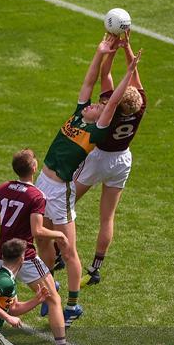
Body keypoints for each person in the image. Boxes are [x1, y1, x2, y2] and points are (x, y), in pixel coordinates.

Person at [35, 34, 142, 326]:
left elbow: (113, 100)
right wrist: (99, 52)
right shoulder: (80, 112)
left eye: (98, 106)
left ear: (103, 116)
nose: (94, 103)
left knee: (68, 251)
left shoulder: (98, 130)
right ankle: (49, 290)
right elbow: (90, 80)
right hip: (42, 182)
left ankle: (71, 306)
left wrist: (130, 70)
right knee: (39, 236)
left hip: (60, 190)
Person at [0, 149, 78, 345]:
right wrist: (59, 234)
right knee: (53, 298)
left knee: (6, 303)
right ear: (34, 168)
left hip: (0, 254)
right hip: (23, 257)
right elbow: (37, 231)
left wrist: (6, 222)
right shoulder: (36, 196)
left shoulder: (3, 188)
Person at [75, 30, 146, 286]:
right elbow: (135, 77)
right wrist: (129, 49)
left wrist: (114, 47)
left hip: (98, 159)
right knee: (107, 217)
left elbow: (104, 74)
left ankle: (59, 251)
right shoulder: (139, 106)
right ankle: (95, 268)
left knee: (66, 201)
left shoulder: (109, 107)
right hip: (122, 160)